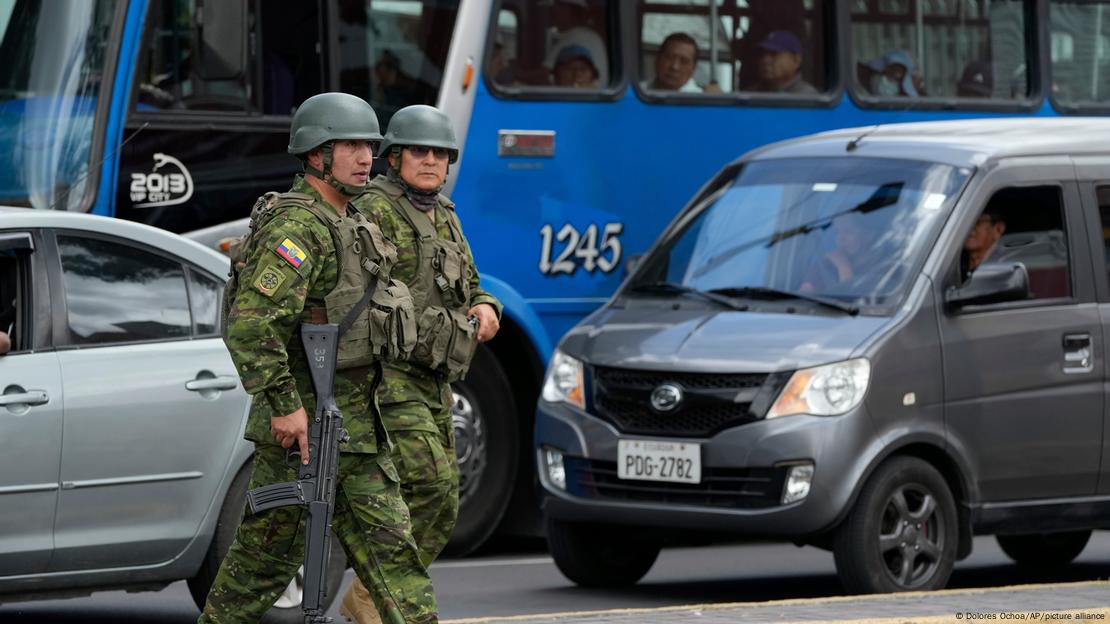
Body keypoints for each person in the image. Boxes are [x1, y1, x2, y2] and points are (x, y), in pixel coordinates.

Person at [197, 92, 439, 624]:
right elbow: (252, 325)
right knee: (258, 570)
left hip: (356, 428)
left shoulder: (355, 221)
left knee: (397, 563)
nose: (364, 157)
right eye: (350, 145)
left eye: (369, 146)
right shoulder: (296, 228)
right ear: (315, 154)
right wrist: (285, 404)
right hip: (303, 432)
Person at [341, 105, 502, 624]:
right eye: (419, 152)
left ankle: (372, 594)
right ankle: (383, 599)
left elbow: (471, 280)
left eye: (439, 153)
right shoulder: (375, 209)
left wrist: (485, 306)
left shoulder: (447, 214)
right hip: (390, 378)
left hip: (436, 377)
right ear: (395, 158)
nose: (430, 161)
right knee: (427, 485)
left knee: (444, 500)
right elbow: (357, 286)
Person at [542, 0, 608, 85]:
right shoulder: (590, 35)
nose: (553, 12)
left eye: (559, 6)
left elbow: (543, 76)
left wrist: (519, 74)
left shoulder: (575, 37)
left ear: (572, 11)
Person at [800, 212, 869, 293]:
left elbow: (850, 301)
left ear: (867, 233)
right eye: (837, 232)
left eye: (848, 231)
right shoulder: (828, 264)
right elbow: (804, 293)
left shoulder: (881, 265)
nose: (841, 238)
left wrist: (843, 266)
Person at [642, 32, 721, 93]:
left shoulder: (703, 99)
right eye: (669, 57)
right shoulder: (636, 93)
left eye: (684, 61)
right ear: (657, 59)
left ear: (693, 68)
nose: (674, 67)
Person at [750, 31, 817, 94]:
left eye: (774, 54)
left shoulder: (807, 96)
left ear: (796, 60)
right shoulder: (751, 93)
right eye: (762, 54)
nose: (765, 60)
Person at [963, 205, 1007, 275]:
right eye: (964, 224)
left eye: (977, 223)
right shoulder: (951, 266)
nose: (969, 229)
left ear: (998, 229)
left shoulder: (1005, 268)